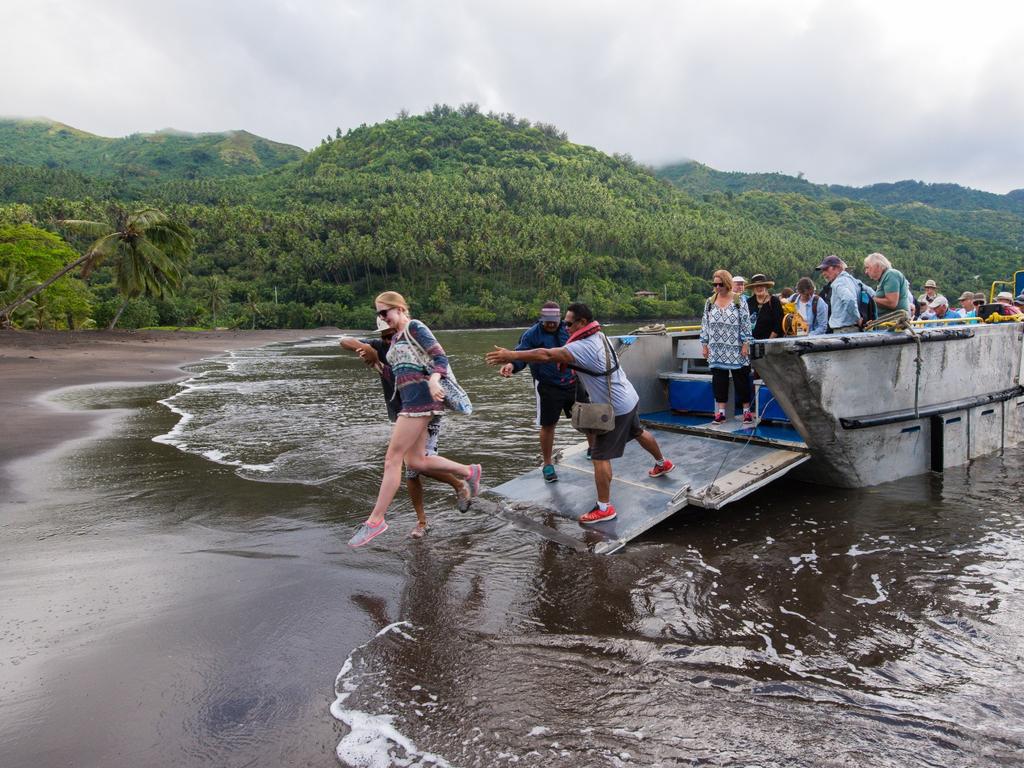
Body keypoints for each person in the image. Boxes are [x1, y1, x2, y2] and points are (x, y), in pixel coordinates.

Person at [486, 302, 674, 525]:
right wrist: (515, 362)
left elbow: (545, 354)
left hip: (615, 405)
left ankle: (605, 508)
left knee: (599, 456)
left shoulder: (582, 347)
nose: (565, 327)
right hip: (628, 395)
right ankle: (663, 463)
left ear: (582, 323)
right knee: (637, 431)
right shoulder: (599, 335)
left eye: (568, 323)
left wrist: (512, 355)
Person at [348, 291, 483, 548]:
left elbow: (440, 357)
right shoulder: (396, 338)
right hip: (410, 404)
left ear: (398, 308)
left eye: (384, 312)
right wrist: (373, 358)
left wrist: (433, 380)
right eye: (378, 314)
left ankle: (376, 520)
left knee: (392, 459)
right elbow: (397, 373)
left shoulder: (414, 327)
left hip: (421, 402)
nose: (382, 317)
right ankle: (469, 471)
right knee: (416, 461)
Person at [498, 301, 594, 483]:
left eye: (554, 321)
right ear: (541, 319)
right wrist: (511, 364)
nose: (551, 324)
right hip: (548, 386)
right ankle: (547, 464)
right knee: (548, 425)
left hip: (573, 381)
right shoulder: (531, 335)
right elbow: (520, 355)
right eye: (547, 321)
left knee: (587, 417)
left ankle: (593, 448)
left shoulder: (568, 329)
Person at [699, 269, 754, 423]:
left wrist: (745, 343)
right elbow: (705, 324)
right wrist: (704, 345)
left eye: (720, 284)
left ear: (727, 283)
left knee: (741, 379)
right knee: (719, 380)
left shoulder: (739, 300)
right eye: (714, 284)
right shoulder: (709, 302)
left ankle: (746, 411)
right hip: (716, 348)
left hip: (736, 347)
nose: (717, 287)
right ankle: (721, 412)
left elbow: (746, 323)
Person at [815, 255, 861, 333]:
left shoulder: (838, 282)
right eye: (822, 271)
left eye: (826, 269)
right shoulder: (853, 280)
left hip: (843, 330)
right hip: (853, 329)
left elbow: (849, 300)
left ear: (837, 267)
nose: (823, 273)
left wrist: (857, 318)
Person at [746, 273, 785, 340]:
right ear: (753, 288)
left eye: (761, 285)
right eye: (756, 286)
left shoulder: (774, 301)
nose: (759, 288)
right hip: (753, 343)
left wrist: (769, 341)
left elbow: (778, 324)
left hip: (772, 343)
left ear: (766, 287)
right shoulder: (749, 302)